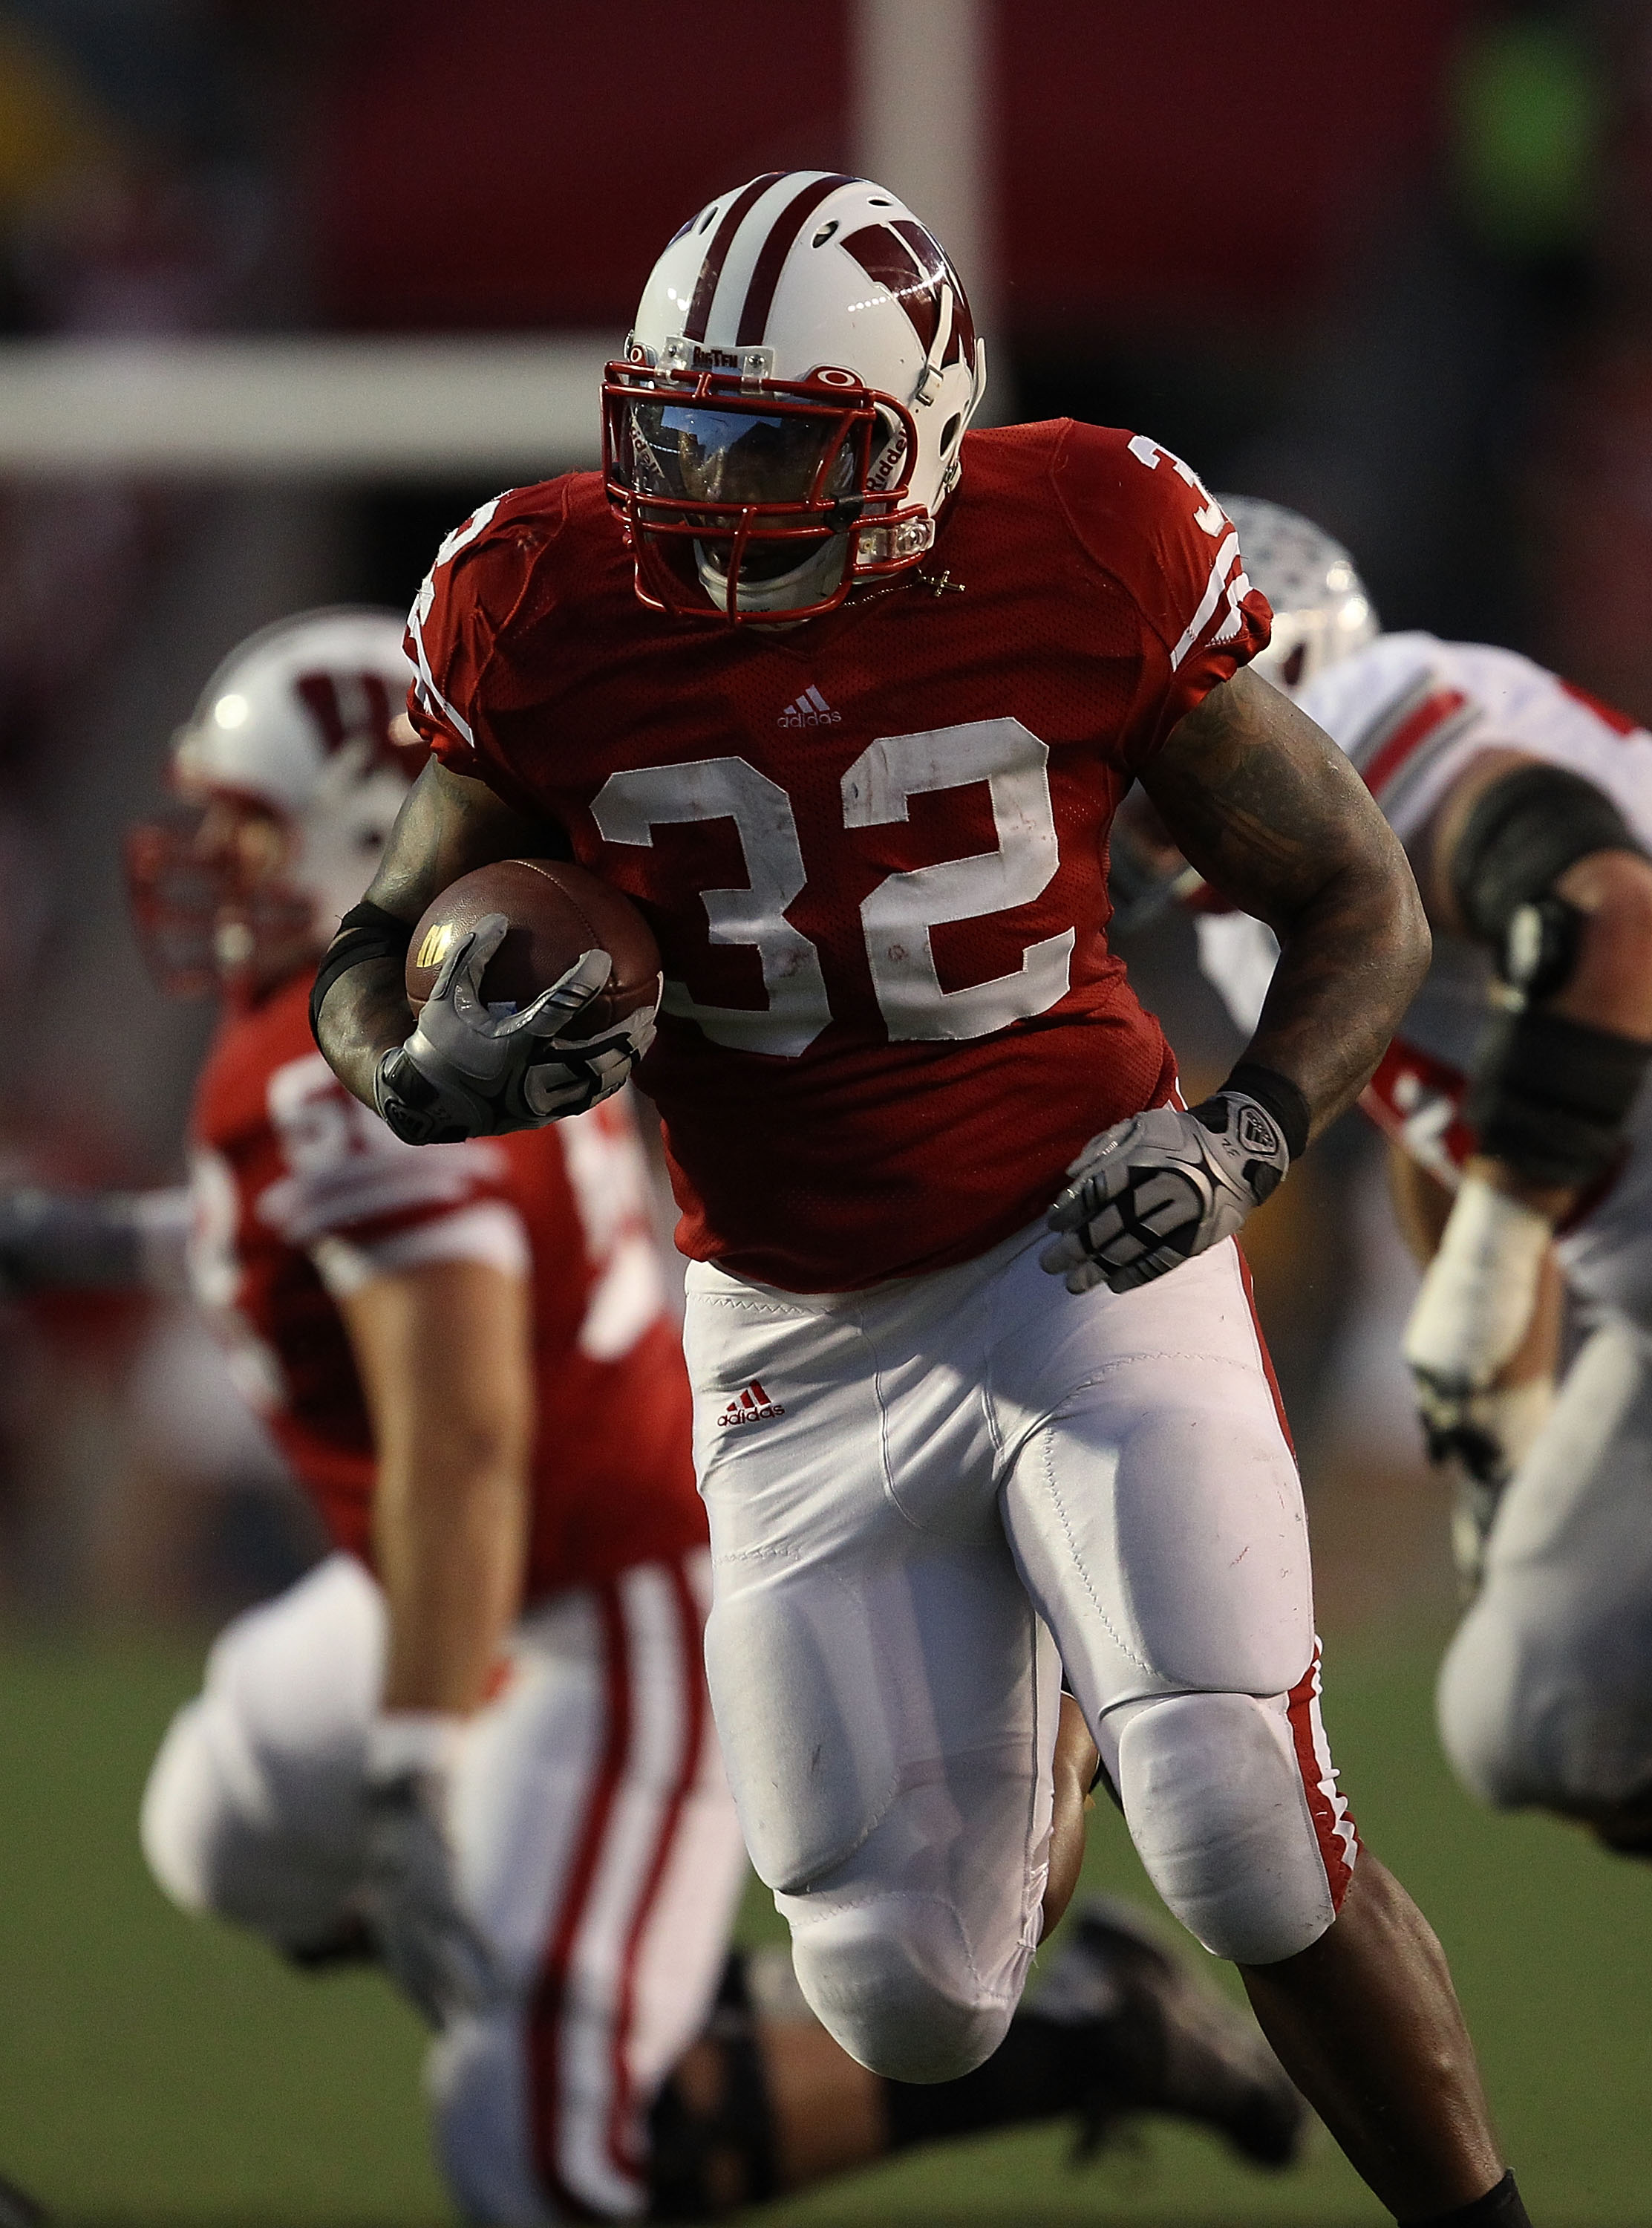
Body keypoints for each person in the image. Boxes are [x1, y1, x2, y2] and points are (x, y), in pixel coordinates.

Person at [312, 170, 1531, 2227]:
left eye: (775, 446)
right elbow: (369, 954)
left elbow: (1358, 898)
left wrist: (1241, 1139)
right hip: (789, 1320)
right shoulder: (537, 601)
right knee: (902, 1997)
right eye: (676, 440)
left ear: (924, 428)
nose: (709, 495)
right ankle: (1058, 1772)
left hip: (1082, 1243)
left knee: (1240, 1817)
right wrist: (420, 1065)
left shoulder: (1090, 533)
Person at [54, 605, 1307, 2223]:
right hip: (477, 1569)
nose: (209, 867)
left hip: (600, 1592)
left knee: (536, 2164)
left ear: (364, 818)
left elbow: (464, 1435)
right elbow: (316, 1238)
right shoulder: (398, 1046)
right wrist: (102, 1243)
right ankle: (618, 1972)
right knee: (223, 1823)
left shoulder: (352, 1077)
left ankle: (1069, 2042)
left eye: (246, 828)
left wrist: (415, 1764)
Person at [1177, 498, 1652, 1877]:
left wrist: (1507, 1241)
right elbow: (1433, 1131)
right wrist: (1496, 1396)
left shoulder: (1374, 718)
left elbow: (1611, 913)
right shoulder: (1247, 919)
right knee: (1539, 1714)